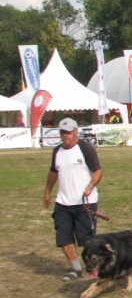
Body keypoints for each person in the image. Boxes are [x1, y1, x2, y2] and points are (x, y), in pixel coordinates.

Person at [43, 118, 103, 281]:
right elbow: (53, 172)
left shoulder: (85, 148)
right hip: (63, 202)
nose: (65, 136)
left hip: (85, 202)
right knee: (64, 239)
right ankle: (76, 269)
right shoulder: (57, 151)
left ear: (76, 131)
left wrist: (90, 186)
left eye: (68, 132)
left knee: (87, 241)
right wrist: (47, 191)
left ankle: (97, 267)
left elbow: (97, 171)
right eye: (62, 132)